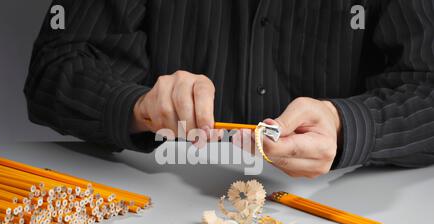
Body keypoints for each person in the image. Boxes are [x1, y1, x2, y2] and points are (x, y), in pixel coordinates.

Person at [25, 0, 434, 178]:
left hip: (331, 208)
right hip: (161, 214)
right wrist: (139, 106)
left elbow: (427, 86)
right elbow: (56, 66)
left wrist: (346, 126)